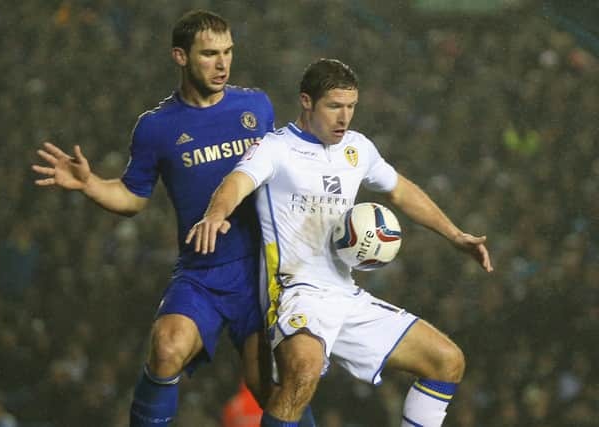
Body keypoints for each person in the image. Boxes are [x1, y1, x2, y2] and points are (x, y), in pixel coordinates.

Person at [32, 10, 316, 427]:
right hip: (201, 272)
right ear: (180, 57)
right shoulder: (155, 127)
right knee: (166, 346)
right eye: (209, 54)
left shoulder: (256, 105)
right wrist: (91, 184)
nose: (222, 64)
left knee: (272, 391)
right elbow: (133, 196)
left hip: (259, 272)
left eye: (228, 52)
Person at [186, 58, 494, 427]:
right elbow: (238, 181)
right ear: (306, 101)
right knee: (304, 371)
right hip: (295, 292)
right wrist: (217, 214)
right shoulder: (276, 148)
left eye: (351, 107)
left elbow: (399, 191)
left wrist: (455, 234)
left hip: (345, 296)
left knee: (447, 360)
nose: (344, 117)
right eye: (334, 106)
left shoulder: (358, 149)